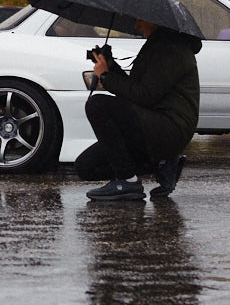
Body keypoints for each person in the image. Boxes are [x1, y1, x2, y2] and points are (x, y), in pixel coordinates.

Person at [75, 19, 201, 200]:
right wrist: (110, 65)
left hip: (169, 128)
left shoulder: (173, 50)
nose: (136, 25)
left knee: (97, 104)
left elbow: (144, 96)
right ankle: (162, 164)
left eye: (139, 20)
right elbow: (135, 89)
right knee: (86, 167)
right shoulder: (157, 46)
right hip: (153, 124)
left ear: (155, 19)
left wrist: (105, 76)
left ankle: (128, 181)